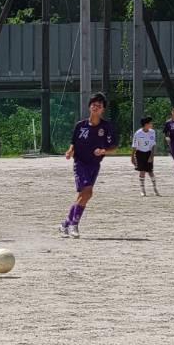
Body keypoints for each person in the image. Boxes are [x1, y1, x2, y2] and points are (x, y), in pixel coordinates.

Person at [60, 92, 120, 238]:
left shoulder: (106, 127)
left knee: (84, 195)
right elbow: (73, 143)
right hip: (80, 163)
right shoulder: (80, 126)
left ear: (102, 110)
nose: (95, 107)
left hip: (94, 165)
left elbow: (113, 146)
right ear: (89, 107)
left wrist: (103, 150)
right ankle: (74, 224)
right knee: (87, 193)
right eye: (93, 104)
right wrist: (69, 151)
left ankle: (65, 223)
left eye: (99, 105)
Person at [132, 115, 161, 196]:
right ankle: (142, 190)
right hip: (140, 153)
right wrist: (132, 157)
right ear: (145, 124)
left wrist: (151, 156)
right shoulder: (138, 133)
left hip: (148, 153)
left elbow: (153, 145)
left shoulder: (152, 132)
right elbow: (134, 145)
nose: (151, 124)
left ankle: (155, 188)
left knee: (151, 172)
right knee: (142, 172)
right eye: (150, 123)